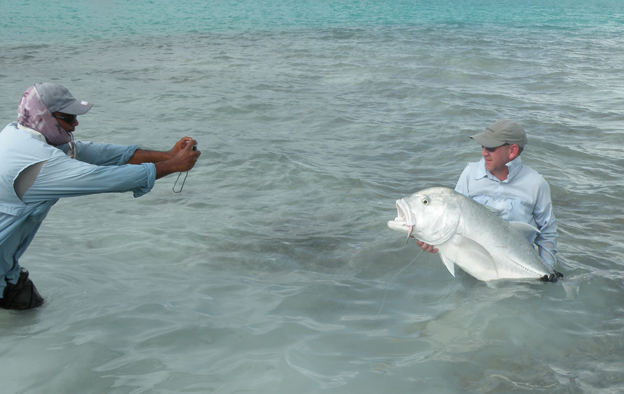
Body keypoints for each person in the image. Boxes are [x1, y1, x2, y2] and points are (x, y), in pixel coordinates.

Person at [0, 83, 201, 310]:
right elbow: (103, 178)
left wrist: (167, 155)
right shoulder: (38, 163)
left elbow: (102, 154)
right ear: (42, 117)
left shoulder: (17, 136)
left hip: (7, 273)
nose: (76, 123)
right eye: (68, 117)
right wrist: (172, 166)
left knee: (29, 325)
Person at [417, 119, 559, 277]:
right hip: (473, 267)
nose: (483, 152)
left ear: (512, 151)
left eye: (490, 148)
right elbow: (452, 221)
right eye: (482, 146)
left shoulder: (536, 184)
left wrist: (547, 272)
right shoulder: (469, 175)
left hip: (518, 271)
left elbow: (547, 232)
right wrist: (435, 240)